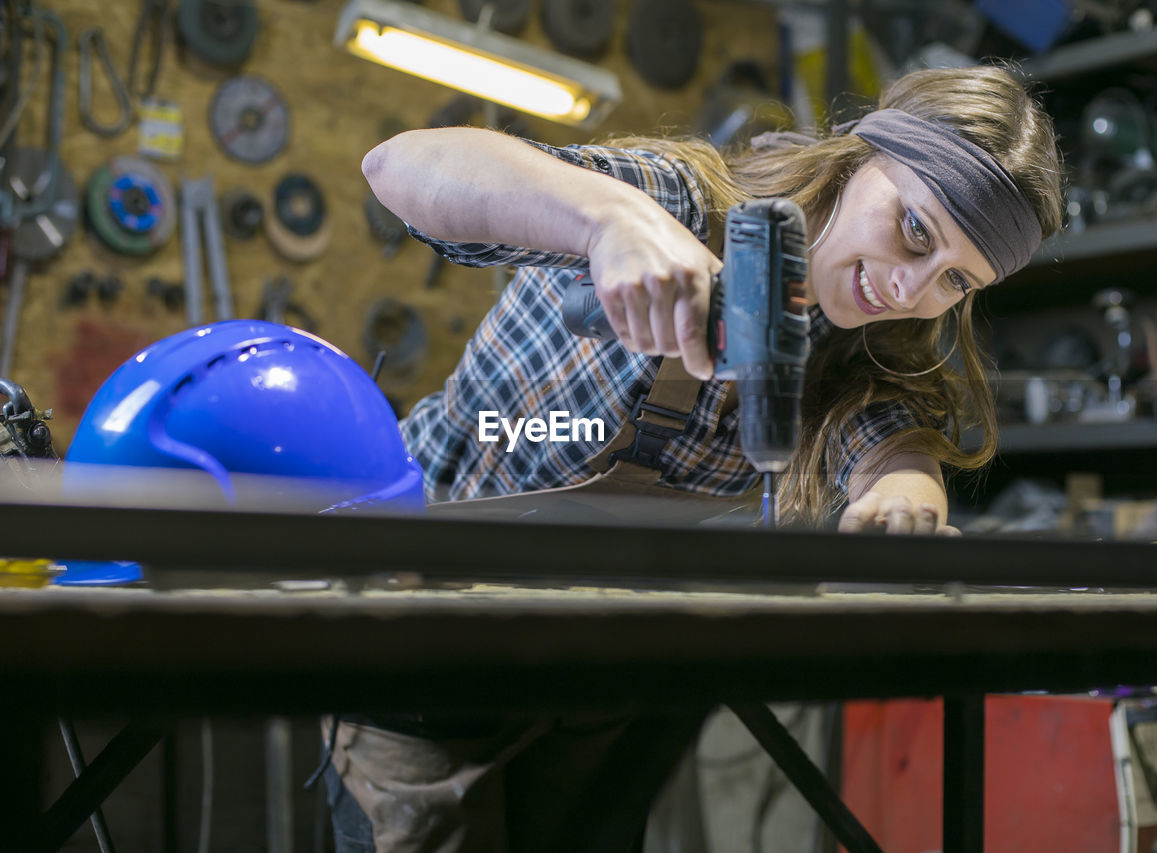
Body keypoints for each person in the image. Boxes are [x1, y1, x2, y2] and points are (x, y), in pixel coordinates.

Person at [322, 64, 1064, 851]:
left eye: (955, 279)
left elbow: (889, 449)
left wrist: (903, 501)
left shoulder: (860, 343)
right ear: (860, 159)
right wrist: (610, 221)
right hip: (425, 639)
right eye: (914, 229)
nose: (912, 288)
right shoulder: (684, 202)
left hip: (601, 675)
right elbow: (399, 167)